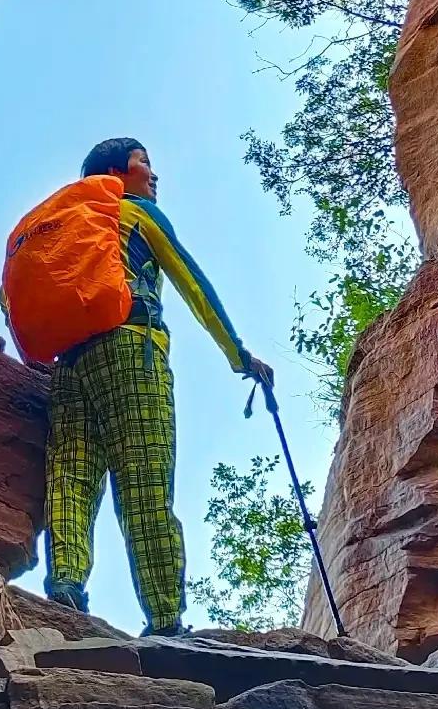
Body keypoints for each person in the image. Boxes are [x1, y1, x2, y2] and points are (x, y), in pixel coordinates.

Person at [15, 136, 273, 638]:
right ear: (117, 171)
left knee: (72, 477)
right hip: (131, 346)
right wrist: (239, 355)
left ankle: (66, 584)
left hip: (69, 361)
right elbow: (192, 282)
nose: (154, 175)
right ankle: (164, 619)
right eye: (144, 163)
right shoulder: (130, 211)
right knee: (145, 479)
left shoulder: (57, 221)